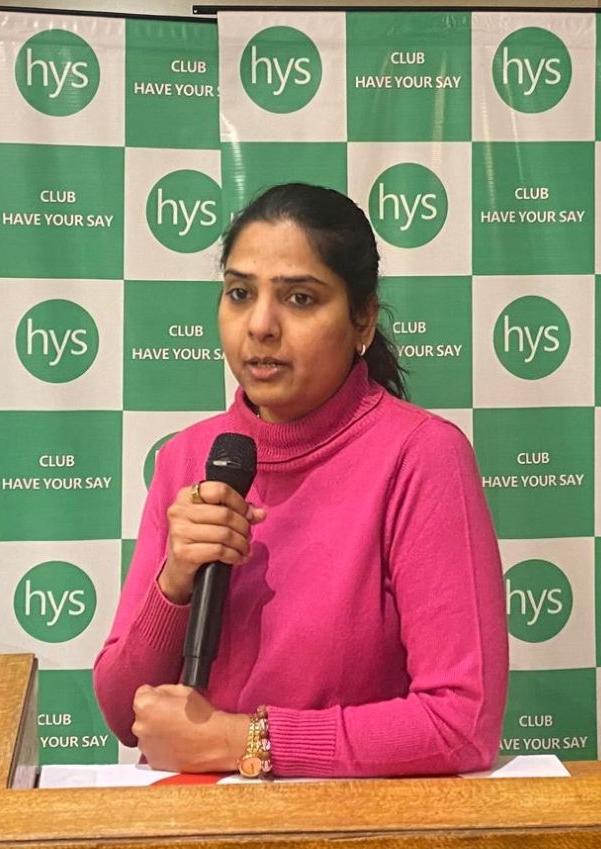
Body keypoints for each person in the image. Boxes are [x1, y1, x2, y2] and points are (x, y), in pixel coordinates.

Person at [92, 182, 508, 778]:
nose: (261, 325)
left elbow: (461, 726)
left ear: (363, 318)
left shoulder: (421, 456)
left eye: (300, 298)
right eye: (240, 293)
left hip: (350, 826)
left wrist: (245, 742)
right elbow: (123, 713)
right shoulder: (188, 458)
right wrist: (175, 580)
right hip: (197, 825)